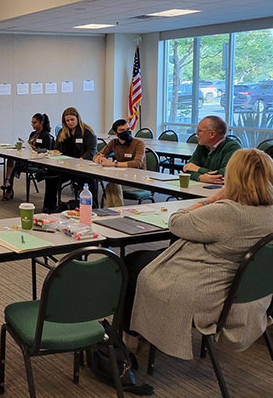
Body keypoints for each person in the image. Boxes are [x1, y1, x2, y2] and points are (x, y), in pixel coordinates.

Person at [126, 149, 273, 361]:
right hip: (243, 291)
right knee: (149, 257)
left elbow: (176, 222)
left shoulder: (228, 211)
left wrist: (211, 199)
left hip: (207, 290)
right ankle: (138, 330)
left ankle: (129, 337)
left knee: (132, 263)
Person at [42, 107, 98, 212]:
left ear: (78, 118)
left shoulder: (87, 132)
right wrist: (55, 153)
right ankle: (49, 207)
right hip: (65, 166)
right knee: (50, 176)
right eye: (67, 121)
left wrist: (80, 160)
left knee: (89, 179)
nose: (70, 123)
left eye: (72, 120)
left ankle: (92, 205)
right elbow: (56, 149)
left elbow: (91, 151)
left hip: (83, 166)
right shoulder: (62, 132)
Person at [94, 118, 146, 207]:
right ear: (115, 133)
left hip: (137, 178)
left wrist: (113, 164)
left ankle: (116, 209)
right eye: (122, 130)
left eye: (128, 129)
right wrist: (98, 158)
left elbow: (137, 163)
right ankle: (114, 211)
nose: (127, 132)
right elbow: (98, 155)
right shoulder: (114, 142)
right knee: (111, 185)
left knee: (112, 185)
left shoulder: (139, 143)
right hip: (121, 176)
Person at [1, 113, 53, 201]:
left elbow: (47, 151)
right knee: (11, 158)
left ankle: (8, 185)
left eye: (35, 123)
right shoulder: (33, 134)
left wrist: (35, 148)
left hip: (38, 162)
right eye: (32, 123)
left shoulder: (46, 136)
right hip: (27, 158)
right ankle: (8, 184)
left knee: (12, 163)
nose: (33, 125)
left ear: (41, 122)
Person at [182, 115, 240, 184]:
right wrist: (200, 177)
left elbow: (224, 174)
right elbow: (187, 169)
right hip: (203, 187)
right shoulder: (202, 144)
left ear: (212, 134)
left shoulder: (232, 147)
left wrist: (198, 169)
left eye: (199, 131)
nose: (196, 133)